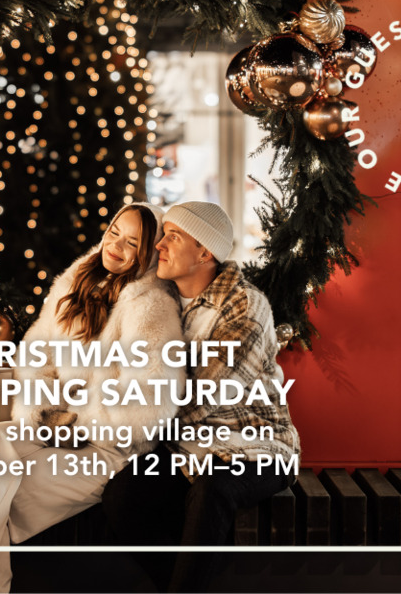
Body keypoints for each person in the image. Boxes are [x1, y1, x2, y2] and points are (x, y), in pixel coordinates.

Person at [0, 203, 186, 594]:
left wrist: (80, 421)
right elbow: (36, 355)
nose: (116, 245)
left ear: (148, 253)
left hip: (109, 448)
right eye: (115, 231)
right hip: (53, 429)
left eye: (132, 242)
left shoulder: (151, 306)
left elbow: (151, 401)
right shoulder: (76, 281)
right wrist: (42, 411)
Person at [101, 200, 301, 593]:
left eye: (173, 237)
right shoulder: (164, 298)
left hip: (256, 444)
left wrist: (135, 417)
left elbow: (209, 393)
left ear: (205, 252)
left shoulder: (245, 304)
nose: (159, 245)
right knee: (122, 497)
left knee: (212, 490)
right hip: (187, 444)